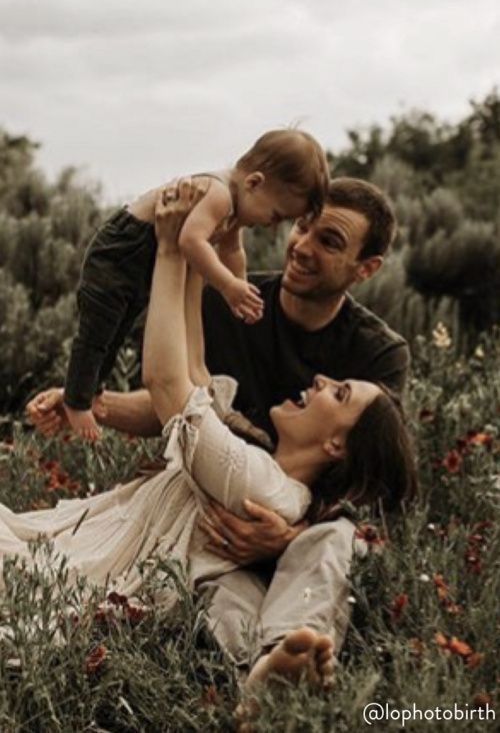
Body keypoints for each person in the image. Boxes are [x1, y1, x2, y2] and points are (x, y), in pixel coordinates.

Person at [8, 190, 416, 696]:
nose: (302, 245)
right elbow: (189, 397)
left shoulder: (376, 355)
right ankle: (264, 680)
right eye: (301, 226)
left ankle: (292, 642)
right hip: (218, 523)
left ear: (366, 267)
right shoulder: (239, 301)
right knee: (224, 587)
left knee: (332, 540)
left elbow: (376, 476)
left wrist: (288, 535)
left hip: (288, 520)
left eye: (328, 240)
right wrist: (92, 406)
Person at [63, 128, 329, 442]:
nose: (272, 225)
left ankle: (92, 390)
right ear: (254, 182)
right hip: (121, 251)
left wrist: (240, 291)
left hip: (142, 260)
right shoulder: (218, 194)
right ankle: (75, 401)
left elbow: (232, 251)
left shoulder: (235, 210)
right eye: (275, 215)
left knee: (118, 329)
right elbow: (191, 241)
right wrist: (228, 285)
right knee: (99, 329)